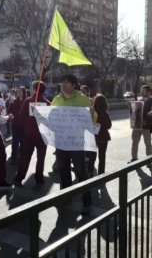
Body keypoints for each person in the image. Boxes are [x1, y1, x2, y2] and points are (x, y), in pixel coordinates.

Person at [51, 74, 92, 212]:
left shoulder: (82, 99)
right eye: (62, 82)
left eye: (67, 82)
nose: (63, 85)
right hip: (61, 142)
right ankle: (65, 197)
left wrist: (92, 113)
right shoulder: (56, 99)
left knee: (81, 171)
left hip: (76, 142)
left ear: (74, 85)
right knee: (63, 171)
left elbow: (91, 119)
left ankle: (87, 200)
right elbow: (52, 117)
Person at [13, 81, 50, 186]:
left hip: (28, 134)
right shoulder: (47, 103)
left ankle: (19, 178)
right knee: (41, 158)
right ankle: (39, 178)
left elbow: (21, 116)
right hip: (43, 136)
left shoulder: (28, 101)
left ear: (34, 89)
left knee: (25, 157)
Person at [86, 94, 112, 175]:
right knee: (102, 156)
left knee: (92, 155)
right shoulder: (105, 113)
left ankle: (90, 171)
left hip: (93, 136)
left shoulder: (92, 112)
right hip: (103, 136)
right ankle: (101, 173)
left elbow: (88, 123)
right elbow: (109, 125)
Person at [128, 85, 152, 163]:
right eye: (141, 90)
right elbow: (134, 112)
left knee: (148, 144)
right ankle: (134, 158)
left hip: (147, 127)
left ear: (148, 92)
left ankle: (149, 161)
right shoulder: (139, 100)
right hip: (137, 126)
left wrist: (146, 121)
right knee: (134, 143)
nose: (141, 92)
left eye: (143, 91)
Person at [8, 87, 26, 162]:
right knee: (14, 142)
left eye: (20, 91)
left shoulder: (27, 101)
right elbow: (9, 111)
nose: (18, 92)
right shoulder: (14, 101)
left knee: (23, 142)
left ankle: (22, 157)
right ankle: (13, 157)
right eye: (17, 91)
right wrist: (10, 114)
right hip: (15, 124)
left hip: (24, 125)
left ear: (23, 92)